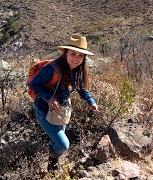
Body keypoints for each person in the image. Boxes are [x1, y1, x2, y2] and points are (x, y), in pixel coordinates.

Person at [30, 34, 98, 171]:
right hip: (43, 109)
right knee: (63, 144)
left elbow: (82, 88)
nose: (76, 59)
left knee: (57, 141)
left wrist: (91, 101)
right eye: (73, 54)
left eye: (80, 56)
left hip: (61, 110)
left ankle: (51, 167)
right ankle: (53, 160)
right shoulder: (52, 68)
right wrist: (50, 98)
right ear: (66, 53)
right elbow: (34, 84)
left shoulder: (78, 70)